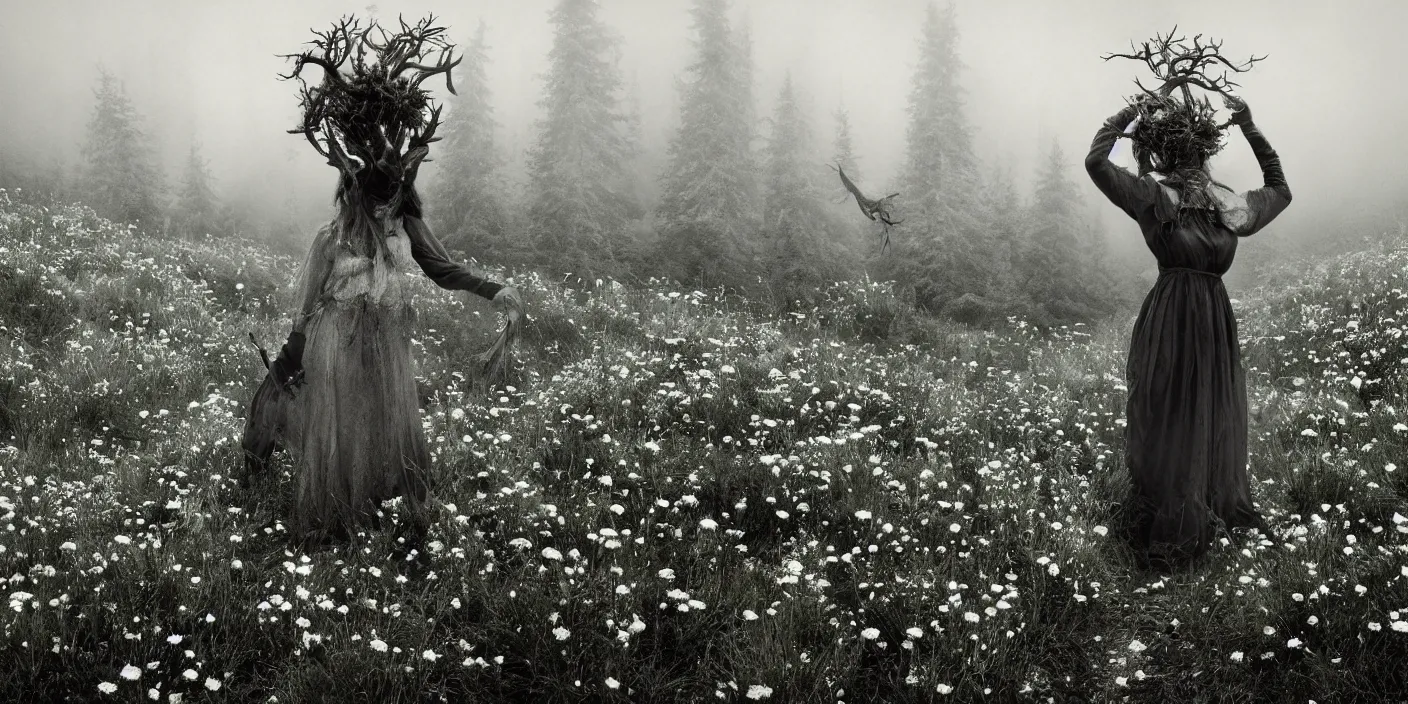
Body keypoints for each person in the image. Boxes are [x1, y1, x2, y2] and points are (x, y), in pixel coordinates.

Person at [1084, 82, 1292, 569]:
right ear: (1201, 154)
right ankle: (1169, 505)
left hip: (1188, 315)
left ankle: (1183, 503)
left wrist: (1133, 110)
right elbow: (1279, 186)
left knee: (1182, 406)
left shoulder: (1173, 198)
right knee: (1183, 405)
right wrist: (1248, 127)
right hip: (1194, 316)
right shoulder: (1215, 204)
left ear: (1167, 153)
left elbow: (1096, 159)